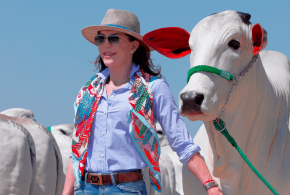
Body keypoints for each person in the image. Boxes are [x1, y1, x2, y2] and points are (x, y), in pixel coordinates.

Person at [62, 9, 223, 195]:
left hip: (126, 189)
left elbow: (182, 143)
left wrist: (210, 185)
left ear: (133, 46)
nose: (105, 44)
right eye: (101, 39)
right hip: (85, 188)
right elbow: (77, 150)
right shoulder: (88, 92)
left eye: (113, 38)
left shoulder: (153, 88)